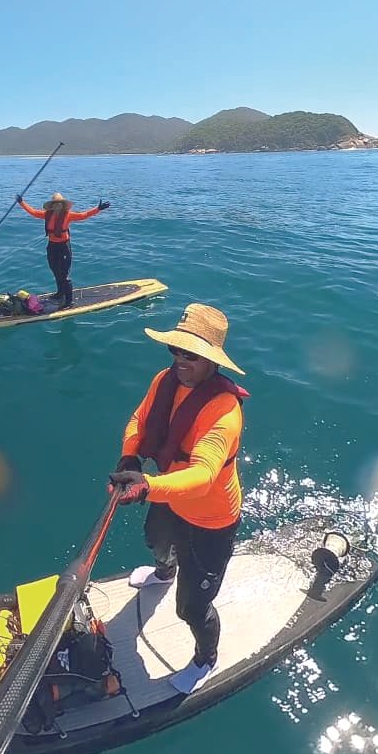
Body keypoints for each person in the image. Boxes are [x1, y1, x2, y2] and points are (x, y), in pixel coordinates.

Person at [108, 303, 247, 696]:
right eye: (176, 351)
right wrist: (129, 456)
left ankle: (206, 659)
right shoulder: (163, 380)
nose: (181, 361)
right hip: (170, 496)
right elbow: (140, 417)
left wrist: (147, 486)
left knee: (191, 607)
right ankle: (164, 574)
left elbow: (203, 476)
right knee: (156, 542)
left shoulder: (224, 411)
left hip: (211, 518)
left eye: (192, 354)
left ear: (211, 360)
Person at [15, 191, 110, 307]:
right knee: (55, 271)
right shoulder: (47, 214)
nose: (57, 206)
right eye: (55, 204)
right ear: (52, 205)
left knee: (64, 275)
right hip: (52, 246)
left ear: (63, 205)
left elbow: (83, 216)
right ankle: (60, 293)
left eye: (59, 204)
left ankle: (69, 301)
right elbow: (33, 212)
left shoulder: (68, 215)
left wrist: (98, 209)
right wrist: (21, 202)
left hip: (64, 247)